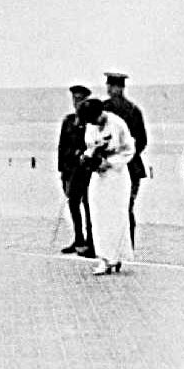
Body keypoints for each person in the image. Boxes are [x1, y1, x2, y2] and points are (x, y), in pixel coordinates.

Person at [77, 98, 136, 276]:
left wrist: (110, 162)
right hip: (99, 175)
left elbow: (129, 150)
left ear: (100, 113)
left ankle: (114, 257)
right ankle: (103, 257)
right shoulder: (91, 127)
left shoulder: (117, 124)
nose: (93, 123)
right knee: (98, 214)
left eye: (94, 119)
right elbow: (90, 147)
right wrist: (88, 158)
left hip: (117, 175)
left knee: (116, 215)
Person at [103, 72, 147, 248]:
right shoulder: (134, 110)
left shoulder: (104, 109)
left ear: (116, 88)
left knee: (109, 209)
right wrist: (127, 156)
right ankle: (128, 246)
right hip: (132, 166)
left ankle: (110, 246)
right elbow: (142, 141)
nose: (109, 89)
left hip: (109, 167)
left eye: (110, 86)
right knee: (127, 209)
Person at [58, 85, 94, 256]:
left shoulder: (91, 122)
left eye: (80, 99)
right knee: (73, 204)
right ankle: (78, 238)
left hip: (86, 172)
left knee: (88, 205)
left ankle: (91, 241)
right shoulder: (68, 120)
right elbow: (61, 146)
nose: (76, 102)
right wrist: (62, 170)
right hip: (70, 171)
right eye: (74, 99)